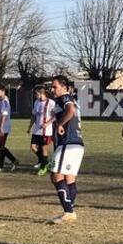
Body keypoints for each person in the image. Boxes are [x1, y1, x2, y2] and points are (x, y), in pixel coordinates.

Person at [48, 75, 84, 224]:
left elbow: (71, 110)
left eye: (55, 86)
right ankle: (70, 210)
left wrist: (61, 124)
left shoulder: (65, 98)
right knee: (69, 177)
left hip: (68, 143)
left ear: (64, 87)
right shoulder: (63, 100)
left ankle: (69, 211)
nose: (52, 89)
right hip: (77, 143)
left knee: (55, 175)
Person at [27, 86, 55, 176]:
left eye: (36, 94)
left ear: (41, 93)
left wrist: (47, 123)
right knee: (33, 147)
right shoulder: (36, 102)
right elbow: (34, 115)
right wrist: (30, 127)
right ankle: (45, 162)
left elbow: (55, 116)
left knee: (43, 148)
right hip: (36, 129)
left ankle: (43, 167)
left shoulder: (51, 103)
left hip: (46, 130)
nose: (35, 95)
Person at [0, 85, 19, 173]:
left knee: (0, 146)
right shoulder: (0, 101)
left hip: (4, 127)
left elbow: (4, 115)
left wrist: (1, 127)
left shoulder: (4, 102)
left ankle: (1, 165)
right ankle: (13, 161)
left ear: (3, 92)